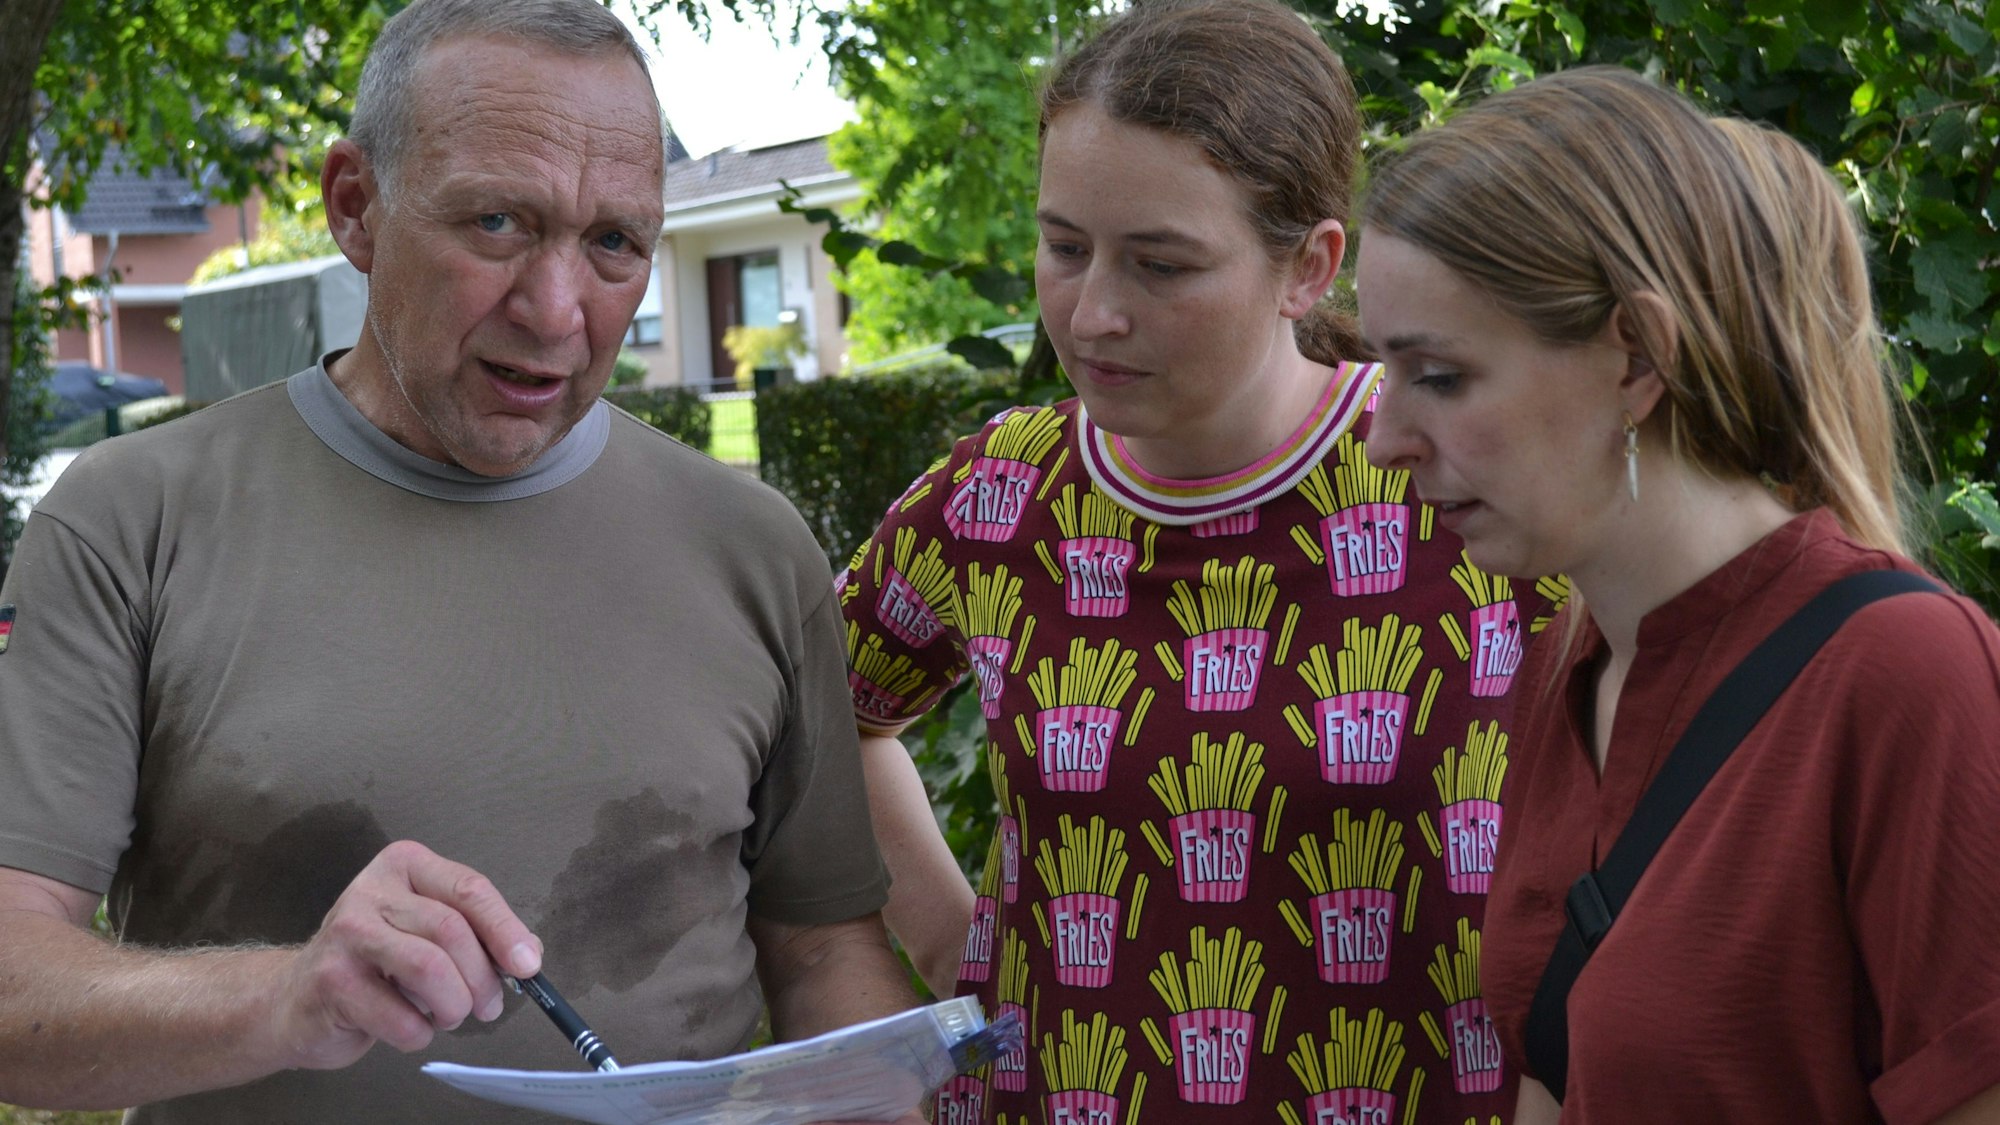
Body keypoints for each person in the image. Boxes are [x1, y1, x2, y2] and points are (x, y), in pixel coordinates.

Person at [0, 1, 921, 1120]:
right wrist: (281, 998)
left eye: (615, 244)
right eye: (495, 223)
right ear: (356, 207)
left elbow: (825, 953)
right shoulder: (130, 522)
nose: (555, 310)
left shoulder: (754, 548)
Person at [842, 2, 1540, 1120]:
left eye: (1160, 265)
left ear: (1307, 268)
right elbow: (823, 711)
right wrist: (948, 938)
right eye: (1063, 247)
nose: (1093, 313)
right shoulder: (1000, 496)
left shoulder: (1457, 483)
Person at [1356, 66, 2000, 1124]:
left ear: (1636, 356)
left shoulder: (1905, 675)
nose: (1383, 441)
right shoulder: (1569, 666)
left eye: (1437, 376)